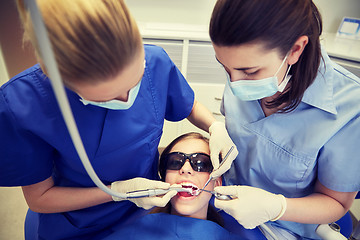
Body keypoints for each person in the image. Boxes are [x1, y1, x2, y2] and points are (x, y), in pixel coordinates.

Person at [0, 0, 237, 239]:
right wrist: (116, 192)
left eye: (137, 81)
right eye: (110, 97)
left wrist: (214, 126)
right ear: (63, 82)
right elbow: (40, 198)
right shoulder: (24, 105)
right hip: (75, 224)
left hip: (143, 211)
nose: (127, 99)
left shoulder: (155, 61)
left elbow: (188, 104)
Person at [208, 0, 360, 239]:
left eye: (249, 72)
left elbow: (336, 203)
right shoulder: (242, 67)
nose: (234, 83)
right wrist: (218, 129)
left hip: (286, 227)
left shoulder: (350, 108)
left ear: (295, 50)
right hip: (223, 206)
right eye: (226, 69)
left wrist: (276, 207)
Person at [103, 132, 260, 240]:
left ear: (217, 183)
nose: (185, 169)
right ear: (164, 179)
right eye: (175, 162)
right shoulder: (135, 233)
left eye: (200, 164)